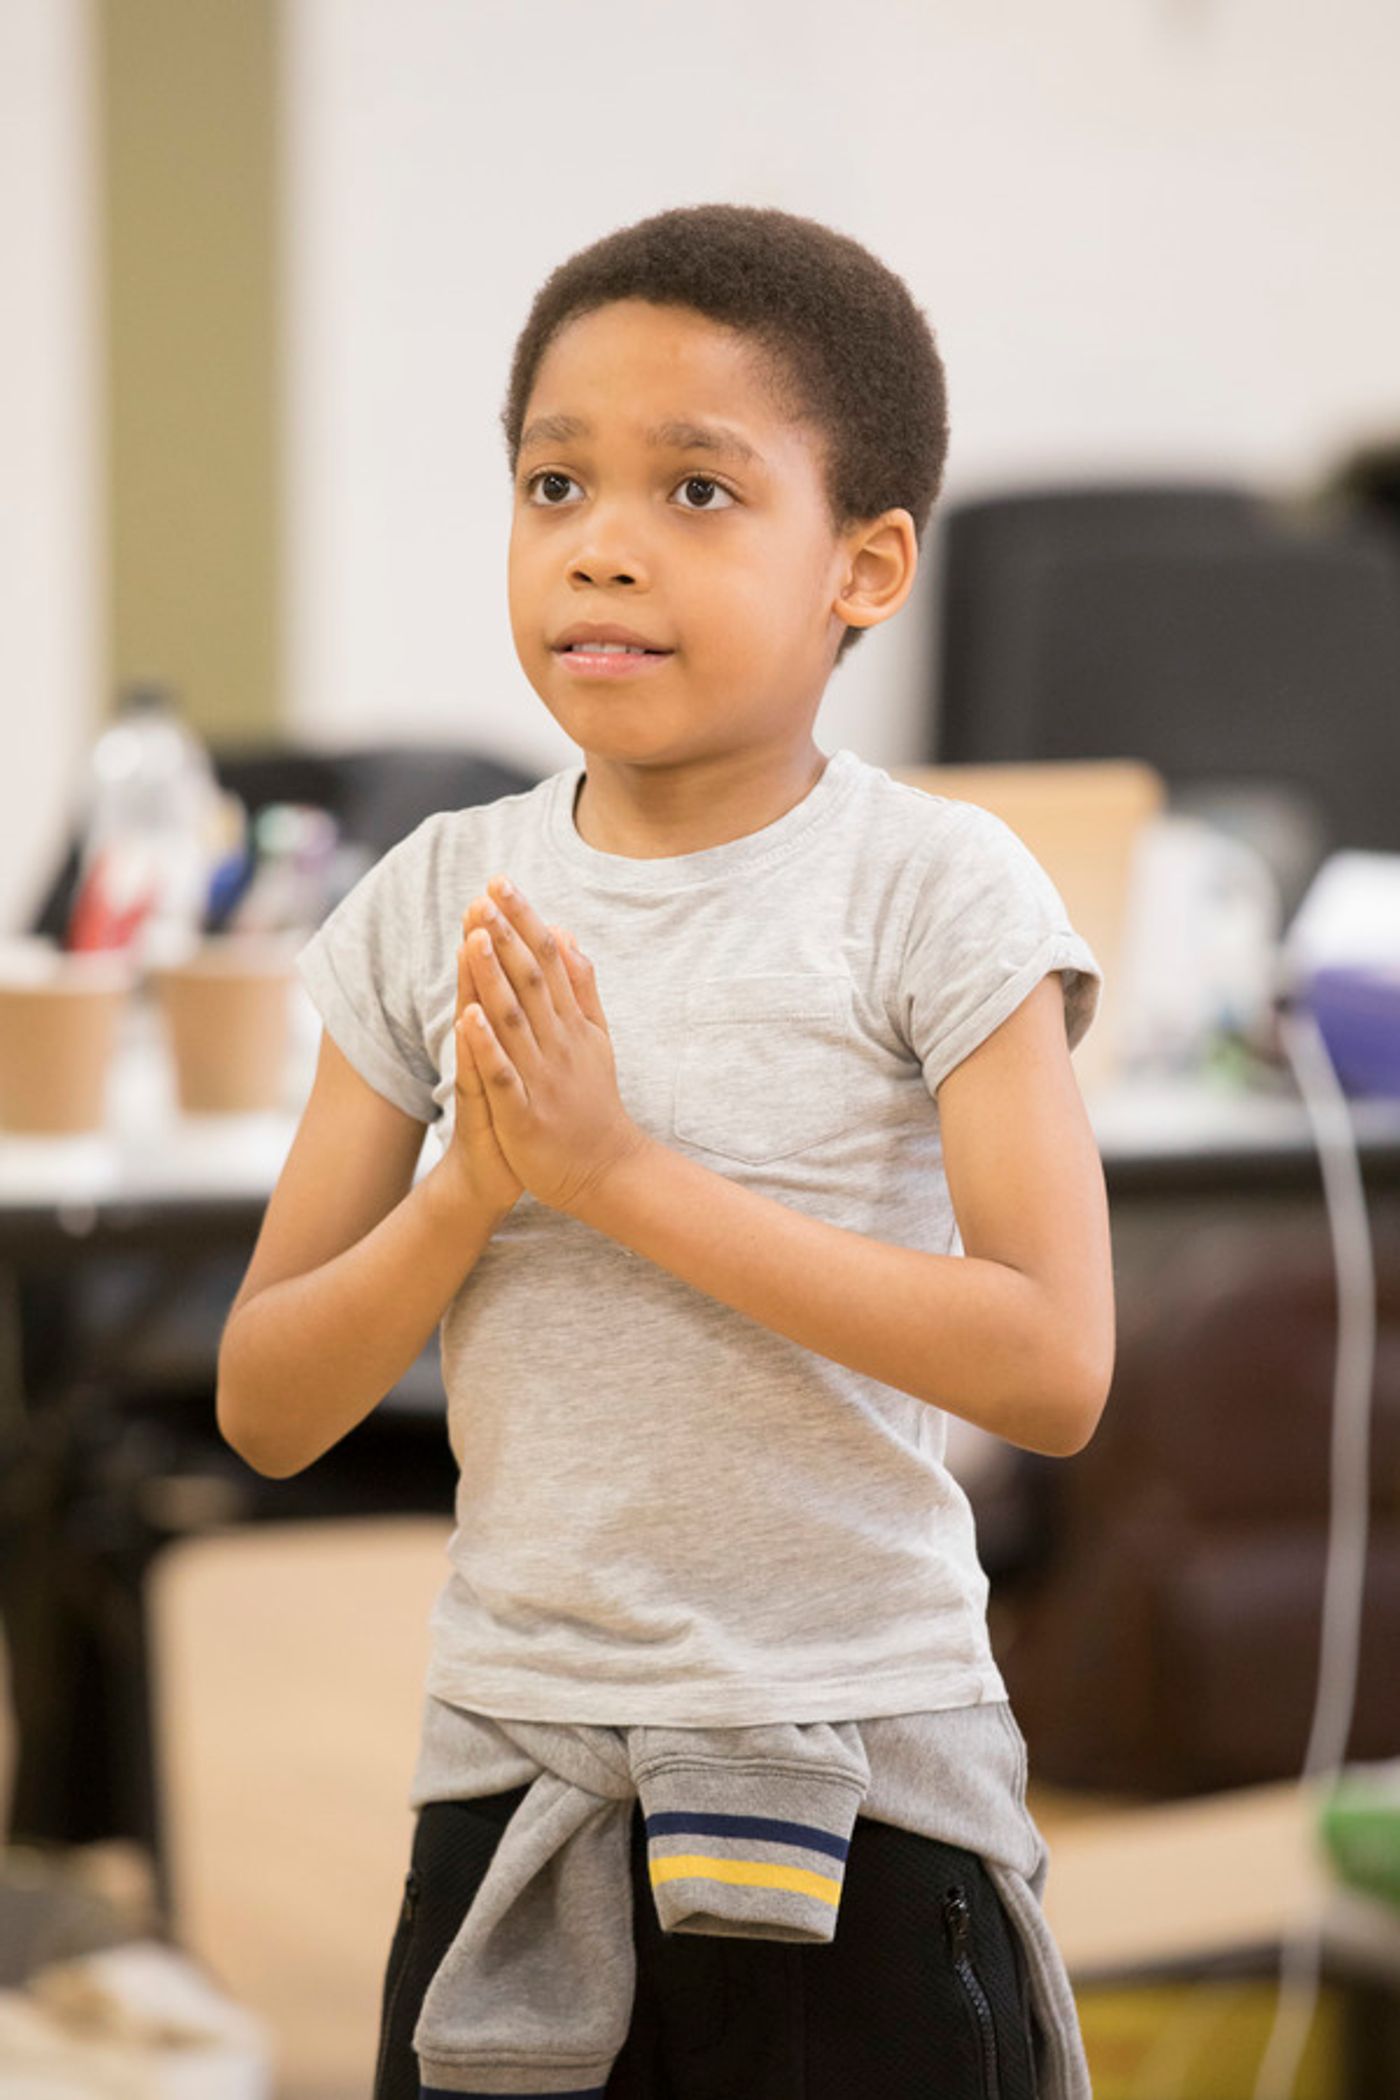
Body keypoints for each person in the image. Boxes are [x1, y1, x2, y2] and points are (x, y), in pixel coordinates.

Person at [215, 202, 1113, 2100]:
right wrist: (476, 1181)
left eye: (698, 492)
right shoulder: (429, 901)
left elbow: (1054, 1365)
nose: (601, 543)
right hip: (517, 1774)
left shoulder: (934, 892)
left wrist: (619, 1178)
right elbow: (268, 1406)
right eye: (554, 482)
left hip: (863, 1774)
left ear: (862, 565)